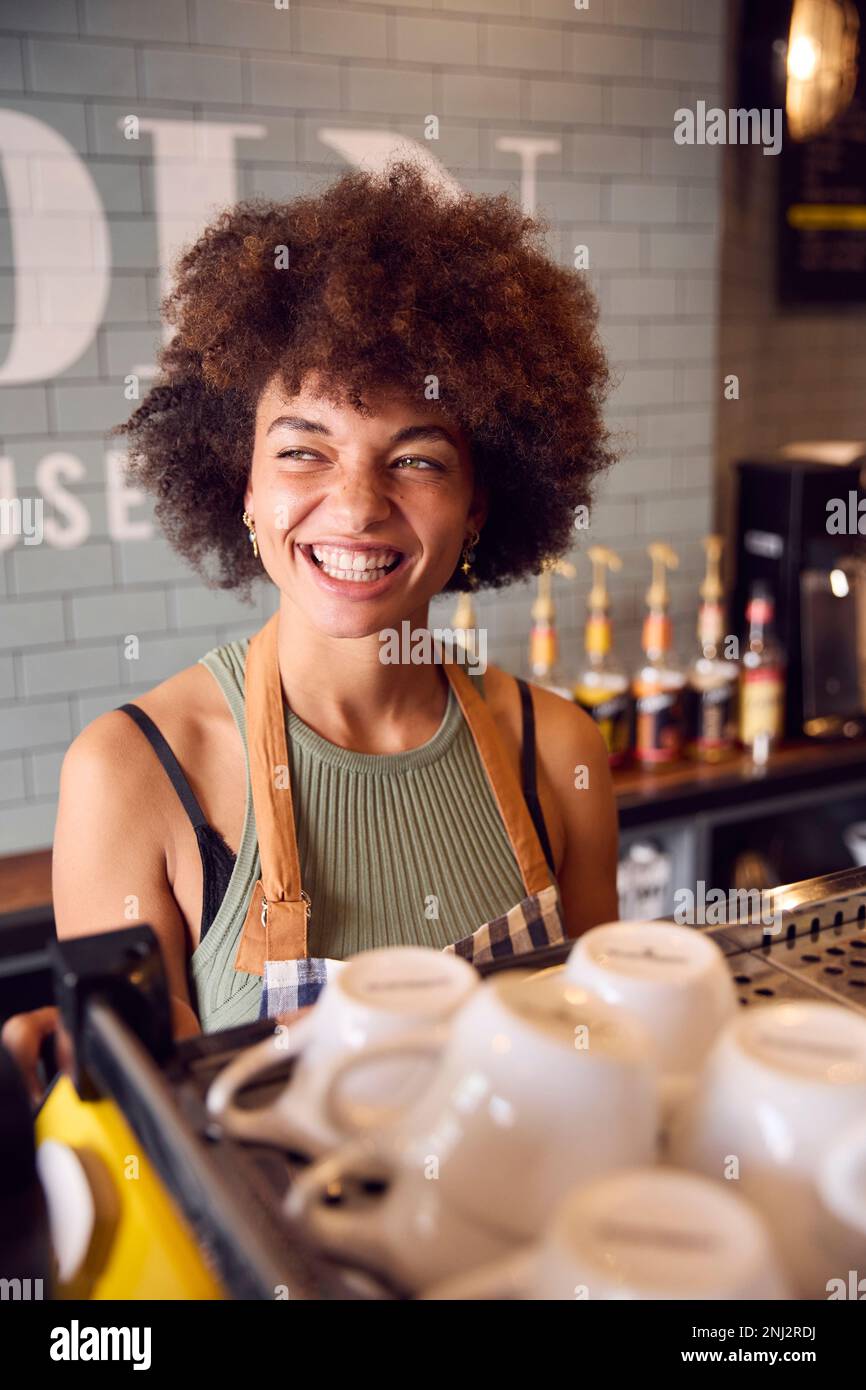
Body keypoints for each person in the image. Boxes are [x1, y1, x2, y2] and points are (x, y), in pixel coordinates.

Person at [3, 161, 619, 1099]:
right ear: (243, 487)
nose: (358, 506)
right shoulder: (133, 776)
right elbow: (146, 1150)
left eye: (415, 458)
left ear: (480, 503)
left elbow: (601, 1068)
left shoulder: (561, 749)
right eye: (303, 451)